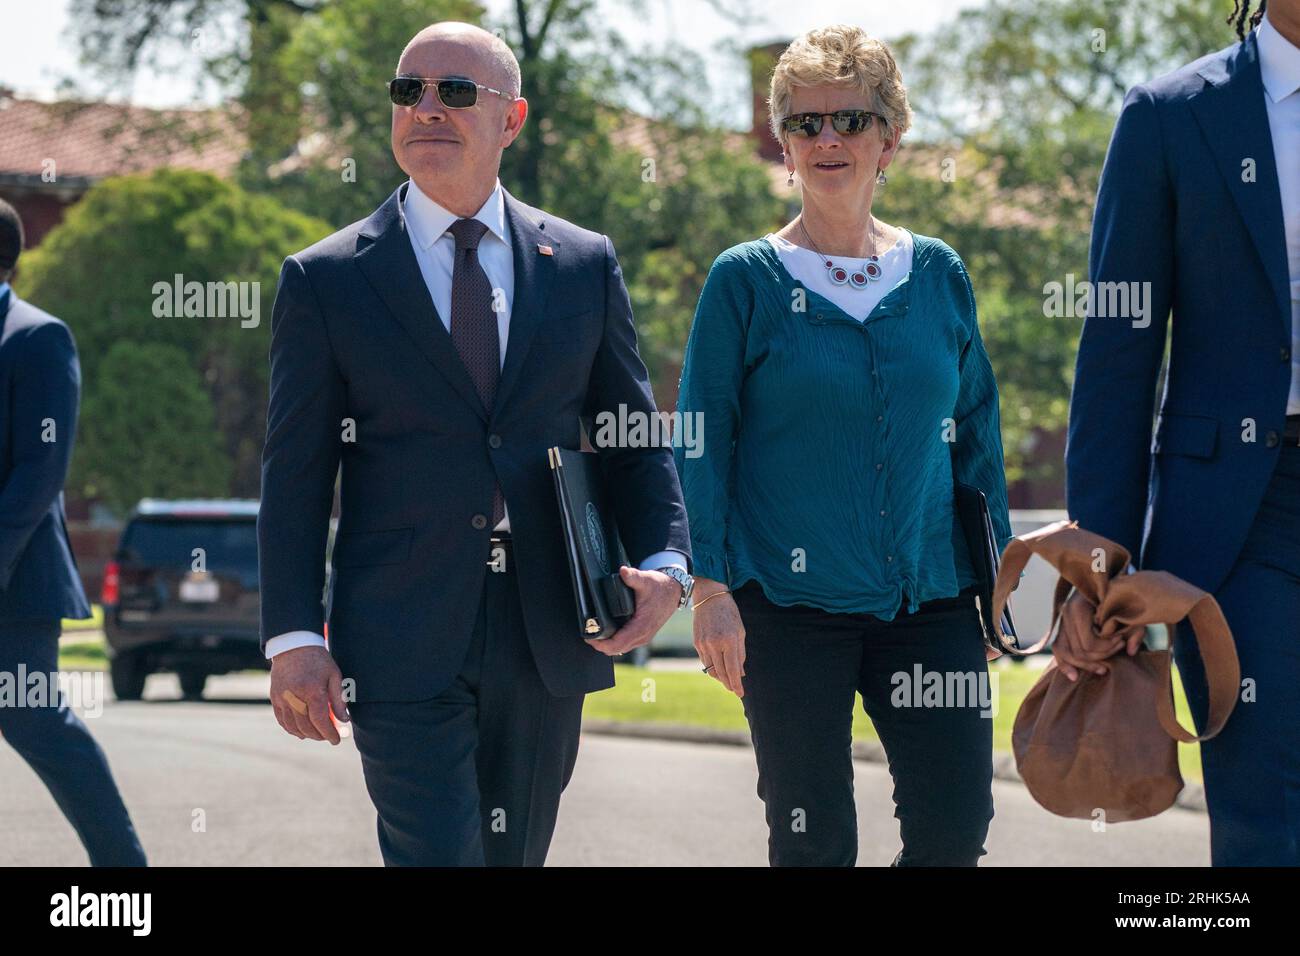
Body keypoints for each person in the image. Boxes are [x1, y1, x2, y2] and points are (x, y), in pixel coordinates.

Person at [258, 21, 692, 866]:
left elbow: (631, 439)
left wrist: (668, 565)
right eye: (407, 90)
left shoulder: (581, 263)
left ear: (512, 118)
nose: (426, 108)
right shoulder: (326, 279)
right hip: (400, 633)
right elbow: (296, 472)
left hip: (549, 625)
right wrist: (292, 637)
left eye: (455, 92)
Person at [674, 25, 1012, 867]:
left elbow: (978, 442)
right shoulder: (744, 280)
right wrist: (709, 589)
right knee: (812, 840)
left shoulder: (939, 274)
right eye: (806, 123)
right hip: (786, 614)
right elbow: (701, 441)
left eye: (851, 120)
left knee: (955, 831)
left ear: (889, 139)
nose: (829, 140)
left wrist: (1003, 590)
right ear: (784, 143)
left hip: (930, 603)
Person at [1065, 0, 1300, 866]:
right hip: (1243, 520)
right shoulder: (1170, 117)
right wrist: (1098, 568)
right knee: (1265, 823)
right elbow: (1119, 356)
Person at [0, 198, 147, 866]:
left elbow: (40, 471)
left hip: (17, 588)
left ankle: (124, 875)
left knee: (37, 724)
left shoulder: (37, 338)